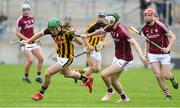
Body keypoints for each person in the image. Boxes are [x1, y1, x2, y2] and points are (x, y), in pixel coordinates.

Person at [83, 12, 149, 102]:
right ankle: (124, 98)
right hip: (117, 56)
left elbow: (134, 42)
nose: (107, 21)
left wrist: (141, 56)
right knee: (113, 80)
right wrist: (88, 35)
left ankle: (110, 91)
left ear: (115, 20)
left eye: (110, 19)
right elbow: (101, 31)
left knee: (104, 74)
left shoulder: (122, 31)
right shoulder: (110, 27)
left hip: (125, 59)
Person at [24, 17, 93, 101]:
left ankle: (40, 94)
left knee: (48, 73)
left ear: (59, 27)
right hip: (60, 56)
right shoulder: (51, 30)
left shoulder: (67, 33)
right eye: (51, 30)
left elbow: (80, 43)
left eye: (54, 30)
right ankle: (87, 79)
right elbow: (40, 34)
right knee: (68, 74)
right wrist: (28, 40)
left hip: (67, 58)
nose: (53, 32)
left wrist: (74, 36)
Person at [142, 7, 178, 99]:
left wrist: (168, 48)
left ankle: (172, 79)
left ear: (154, 16)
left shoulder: (160, 25)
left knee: (166, 75)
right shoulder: (145, 28)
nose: (146, 17)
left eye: (149, 15)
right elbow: (147, 41)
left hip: (164, 54)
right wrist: (145, 54)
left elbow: (173, 37)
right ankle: (167, 95)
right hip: (153, 54)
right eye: (145, 15)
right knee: (158, 75)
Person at [74, 11, 107, 86]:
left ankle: (77, 72)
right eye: (100, 17)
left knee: (97, 69)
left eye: (103, 17)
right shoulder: (93, 26)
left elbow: (103, 37)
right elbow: (84, 36)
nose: (101, 18)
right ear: (97, 17)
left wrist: (101, 43)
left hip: (96, 49)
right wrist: (89, 46)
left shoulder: (106, 26)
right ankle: (85, 81)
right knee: (92, 67)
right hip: (89, 48)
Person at [16, 4, 44, 84]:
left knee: (41, 58)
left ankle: (38, 76)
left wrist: (36, 38)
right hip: (25, 43)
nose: (26, 11)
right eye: (24, 10)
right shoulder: (20, 20)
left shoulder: (32, 19)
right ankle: (25, 77)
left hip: (33, 42)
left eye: (27, 10)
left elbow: (32, 30)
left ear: (29, 10)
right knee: (30, 60)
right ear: (22, 11)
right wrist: (27, 40)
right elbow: (17, 33)